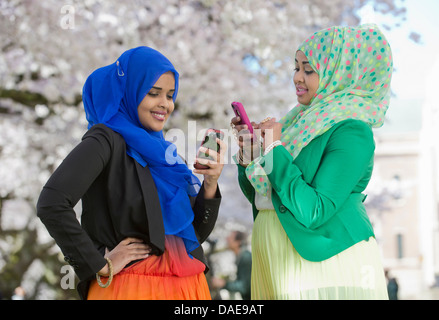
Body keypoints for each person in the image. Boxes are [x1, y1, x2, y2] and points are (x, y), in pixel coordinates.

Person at [37, 46, 225, 300]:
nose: (165, 104)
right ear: (129, 92)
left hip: (189, 288)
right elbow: (52, 202)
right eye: (153, 93)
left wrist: (210, 183)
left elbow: (194, 235)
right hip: (132, 288)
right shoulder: (105, 140)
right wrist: (98, 264)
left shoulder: (166, 156)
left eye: (170, 95)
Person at [231, 24, 392, 299]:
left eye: (309, 70)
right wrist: (250, 154)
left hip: (325, 263)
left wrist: (272, 147)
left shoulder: (352, 131)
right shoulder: (298, 123)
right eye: (296, 67)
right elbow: (265, 196)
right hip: (276, 258)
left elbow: (314, 210)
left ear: (339, 72)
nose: (297, 77)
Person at [211, 230, 252, 299]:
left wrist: (223, 283)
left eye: (230, 238)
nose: (227, 239)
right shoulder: (241, 256)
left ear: (238, 242)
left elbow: (244, 287)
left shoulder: (246, 258)